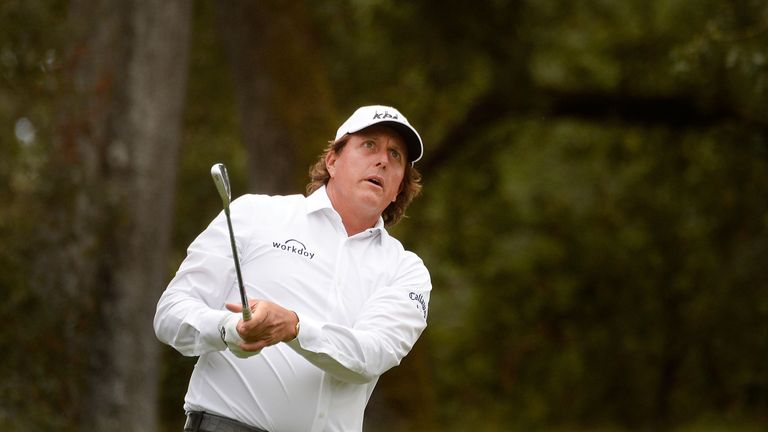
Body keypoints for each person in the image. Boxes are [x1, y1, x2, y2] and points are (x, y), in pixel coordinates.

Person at [154, 105, 431, 432]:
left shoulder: (406, 271)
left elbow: (372, 355)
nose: (383, 160)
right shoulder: (253, 214)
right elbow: (171, 314)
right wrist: (229, 329)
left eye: (396, 155)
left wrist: (294, 327)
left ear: (398, 187)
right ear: (333, 160)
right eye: (369, 145)